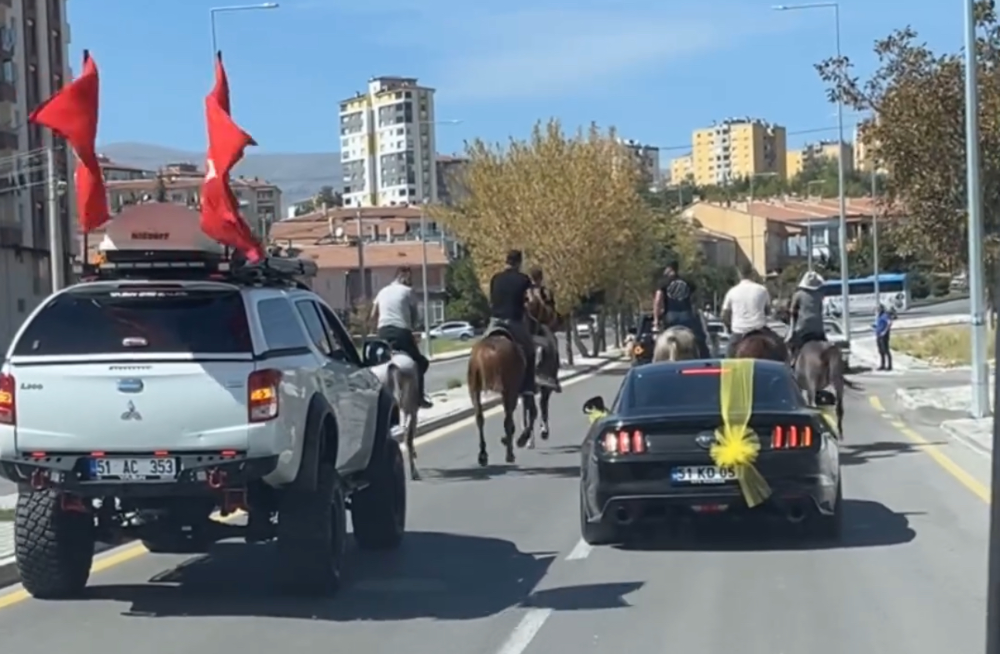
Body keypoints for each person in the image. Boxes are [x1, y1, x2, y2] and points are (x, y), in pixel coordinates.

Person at [488, 250, 556, 395]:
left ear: (506, 261)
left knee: (483, 346)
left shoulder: (495, 278)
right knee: (530, 350)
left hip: (494, 321)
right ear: (519, 263)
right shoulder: (523, 279)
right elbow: (531, 301)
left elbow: (491, 301)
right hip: (514, 321)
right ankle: (528, 386)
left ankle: (486, 379)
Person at [370, 266, 432, 408]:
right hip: (401, 332)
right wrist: (414, 327)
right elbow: (415, 315)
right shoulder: (408, 292)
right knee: (421, 362)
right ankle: (419, 397)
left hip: (383, 332)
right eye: (410, 278)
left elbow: (373, 315)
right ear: (405, 277)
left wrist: (375, 330)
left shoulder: (382, 291)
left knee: (380, 364)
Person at [652, 259, 710, 358]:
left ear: (669, 269)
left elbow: (657, 301)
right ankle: (705, 359)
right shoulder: (687, 282)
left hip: (670, 317)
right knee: (700, 339)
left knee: (659, 341)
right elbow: (696, 298)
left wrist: (656, 320)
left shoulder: (663, 283)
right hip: (686, 316)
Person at [721, 262, 773, 357]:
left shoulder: (731, 292)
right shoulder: (762, 290)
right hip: (760, 330)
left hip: (738, 332)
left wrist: (729, 327)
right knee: (779, 349)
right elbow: (768, 311)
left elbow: (724, 315)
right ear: (752, 273)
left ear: (739, 274)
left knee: (728, 357)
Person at [527, 267, 562, 392]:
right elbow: (551, 312)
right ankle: (552, 376)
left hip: (526, 328)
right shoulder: (545, 292)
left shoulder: (525, 292)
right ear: (540, 278)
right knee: (553, 344)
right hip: (541, 326)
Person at [785, 270, 828, 363]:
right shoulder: (819, 295)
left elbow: (792, 311)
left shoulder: (798, 294)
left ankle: (793, 361)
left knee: (792, 344)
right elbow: (820, 310)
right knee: (826, 343)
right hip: (818, 328)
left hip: (803, 328)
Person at [874, 305, 893, 371]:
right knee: (881, 351)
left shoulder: (884, 315)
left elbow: (889, 323)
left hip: (884, 336)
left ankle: (889, 366)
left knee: (886, 350)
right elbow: (877, 324)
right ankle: (882, 365)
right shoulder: (878, 317)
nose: (877, 311)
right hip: (878, 335)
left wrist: (884, 331)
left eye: (878, 309)